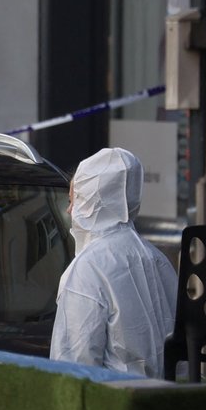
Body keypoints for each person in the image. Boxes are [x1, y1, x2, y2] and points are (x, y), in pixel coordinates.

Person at [50, 147, 177, 378]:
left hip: (115, 402)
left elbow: (72, 365)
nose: (69, 210)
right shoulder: (158, 260)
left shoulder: (87, 269)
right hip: (169, 400)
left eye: (73, 199)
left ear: (90, 200)